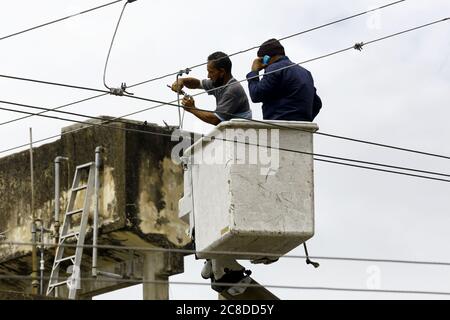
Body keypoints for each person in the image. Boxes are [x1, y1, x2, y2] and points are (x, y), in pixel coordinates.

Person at [246, 39, 322, 121]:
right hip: (303, 128)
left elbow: (256, 95)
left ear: (266, 58)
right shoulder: (306, 72)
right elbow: (317, 103)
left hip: (280, 126)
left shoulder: (274, 68)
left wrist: (254, 72)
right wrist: (304, 121)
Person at [171, 51, 252, 125]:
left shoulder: (232, 90)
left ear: (222, 72)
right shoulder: (218, 82)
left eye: (211, 72)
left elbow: (215, 119)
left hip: (242, 133)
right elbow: (198, 83)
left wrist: (192, 108)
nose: (208, 76)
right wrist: (182, 81)